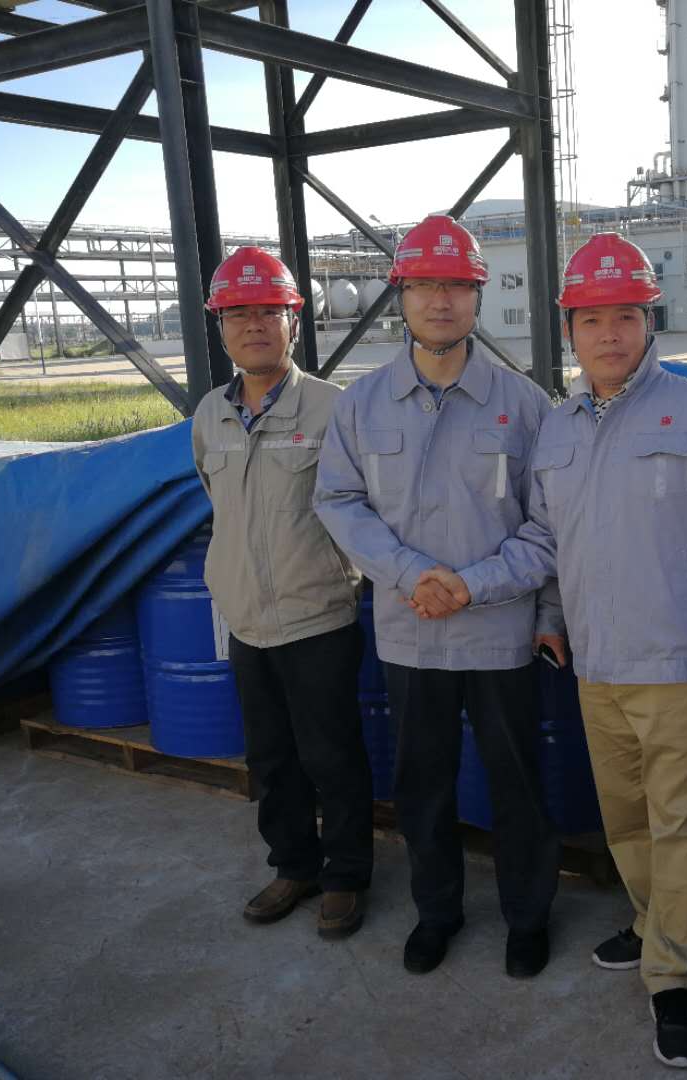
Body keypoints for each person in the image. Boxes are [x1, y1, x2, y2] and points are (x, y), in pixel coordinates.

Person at [421, 232, 687, 1069]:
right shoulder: (558, 428)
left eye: (626, 317)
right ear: (568, 328)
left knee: (681, 829)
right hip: (597, 667)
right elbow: (547, 540)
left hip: (680, 671)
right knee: (628, 820)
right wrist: (524, 605)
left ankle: (671, 976)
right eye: (592, 319)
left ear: (650, 323)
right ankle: (649, 923)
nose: (610, 334)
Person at [312, 214, 562, 980]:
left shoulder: (524, 405)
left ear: (477, 296)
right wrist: (409, 574)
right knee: (422, 786)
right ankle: (437, 913)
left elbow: (549, 525)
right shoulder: (362, 405)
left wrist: (472, 587)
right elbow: (338, 500)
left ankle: (527, 917)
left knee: (517, 784)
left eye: (456, 285)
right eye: (424, 285)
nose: (440, 301)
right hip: (410, 630)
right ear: (401, 296)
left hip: (498, 633)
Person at [190, 246, 371, 937]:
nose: (254, 326)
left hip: (316, 616)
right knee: (270, 758)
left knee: (332, 756)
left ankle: (346, 877)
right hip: (246, 620)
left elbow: (363, 510)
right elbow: (219, 504)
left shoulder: (334, 409)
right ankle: (294, 865)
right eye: (238, 315)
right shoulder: (209, 415)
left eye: (269, 312)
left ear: (294, 321)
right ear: (221, 328)